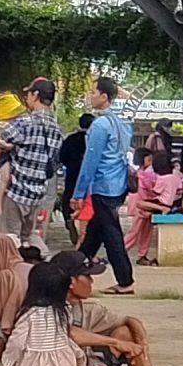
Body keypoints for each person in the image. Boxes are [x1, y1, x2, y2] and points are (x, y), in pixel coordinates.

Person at [55, 251, 183, 366]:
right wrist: (115, 343)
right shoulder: (46, 309)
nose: (92, 281)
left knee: (126, 333)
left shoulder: (86, 309)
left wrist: (141, 342)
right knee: (74, 352)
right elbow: (67, 335)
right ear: (72, 281)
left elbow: (128, 320)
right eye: (87, 276)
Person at [70, 77, 137, 293]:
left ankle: (125, 280)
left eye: (93, 92)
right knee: (95, 232)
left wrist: (79, 192)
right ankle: (74, 270)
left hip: (103, 184)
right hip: (119, 183)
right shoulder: (123, 124)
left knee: (111, 234)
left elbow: (91, 160)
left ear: (104, 96)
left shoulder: (100, 125)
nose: (90, 96)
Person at [0, 78, 65, 250]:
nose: (27, 97)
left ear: (35, 95)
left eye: (28, 94)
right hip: (37, 197)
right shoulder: (57, 130)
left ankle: (12, 270)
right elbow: (55, 162)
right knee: (28, 240)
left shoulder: (24, 123)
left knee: (8, 243)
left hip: (16, 194)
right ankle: (39, 261)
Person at [56, 111, 92, 231]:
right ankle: (84, 223)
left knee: (69, 196)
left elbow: (61, 157)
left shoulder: (70, 139)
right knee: (88, 199)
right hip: (90, 176)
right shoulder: (94, 140)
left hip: (72, 173)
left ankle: (69, 218)